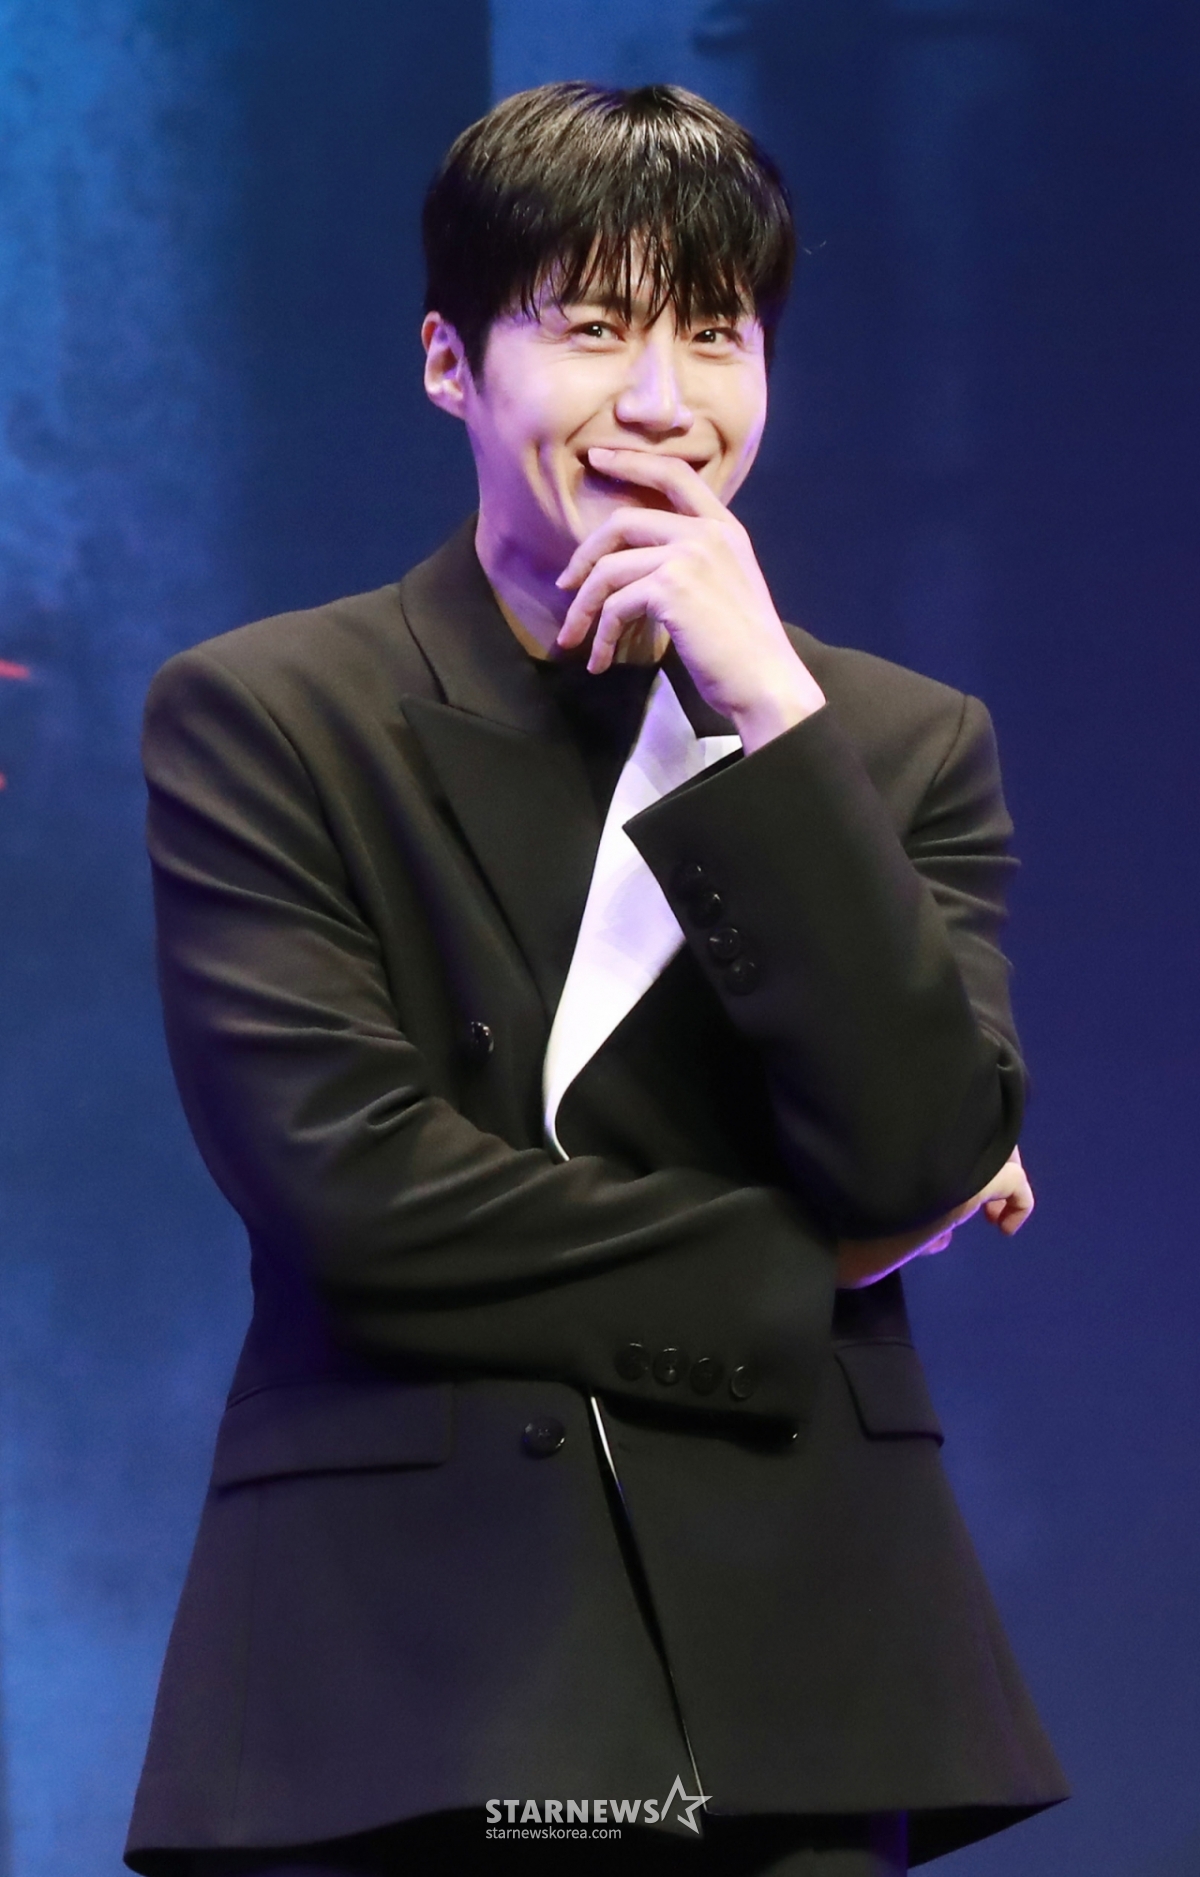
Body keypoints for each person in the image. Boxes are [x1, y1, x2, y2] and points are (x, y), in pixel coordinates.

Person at [125, 82, 1066, 1877]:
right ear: (449, 364)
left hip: (801, 1660)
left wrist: (771, 716)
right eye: (592, 329)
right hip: (405, 1659)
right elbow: (360, 1195)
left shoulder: (894, 742)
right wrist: (816, 1256)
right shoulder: (271, 714)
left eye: (716, 334)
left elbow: (920, 1145)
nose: (661, 401)